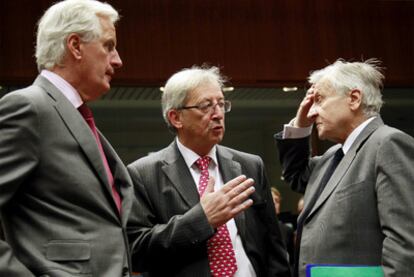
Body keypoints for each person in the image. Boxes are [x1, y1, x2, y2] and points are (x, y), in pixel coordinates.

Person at [0, 0, 135, 276]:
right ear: (75, 46)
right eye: (108, 46)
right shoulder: (28, 107)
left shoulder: (77, 117)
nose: (118, 60)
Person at [127, 66, 291, 277]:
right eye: (206, 106)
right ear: (176, 117)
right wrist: (201, 220)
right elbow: (136, 251)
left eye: (221, 104)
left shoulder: (250, 165)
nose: (218, 114)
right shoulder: (143, 174)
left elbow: (273, 245)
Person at [275, 59, 414, 277]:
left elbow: (405, 241)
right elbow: (296, 176)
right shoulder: (332, 155)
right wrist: (300, 127)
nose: (312, 112)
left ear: (354, 98)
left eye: (319, 100)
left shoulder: (388, 143)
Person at [271, 187, 295, 267]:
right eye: (271, 199)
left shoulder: (287, 230)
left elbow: (292, 260)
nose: (274, 203)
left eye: (277, 200)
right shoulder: (256, 228)